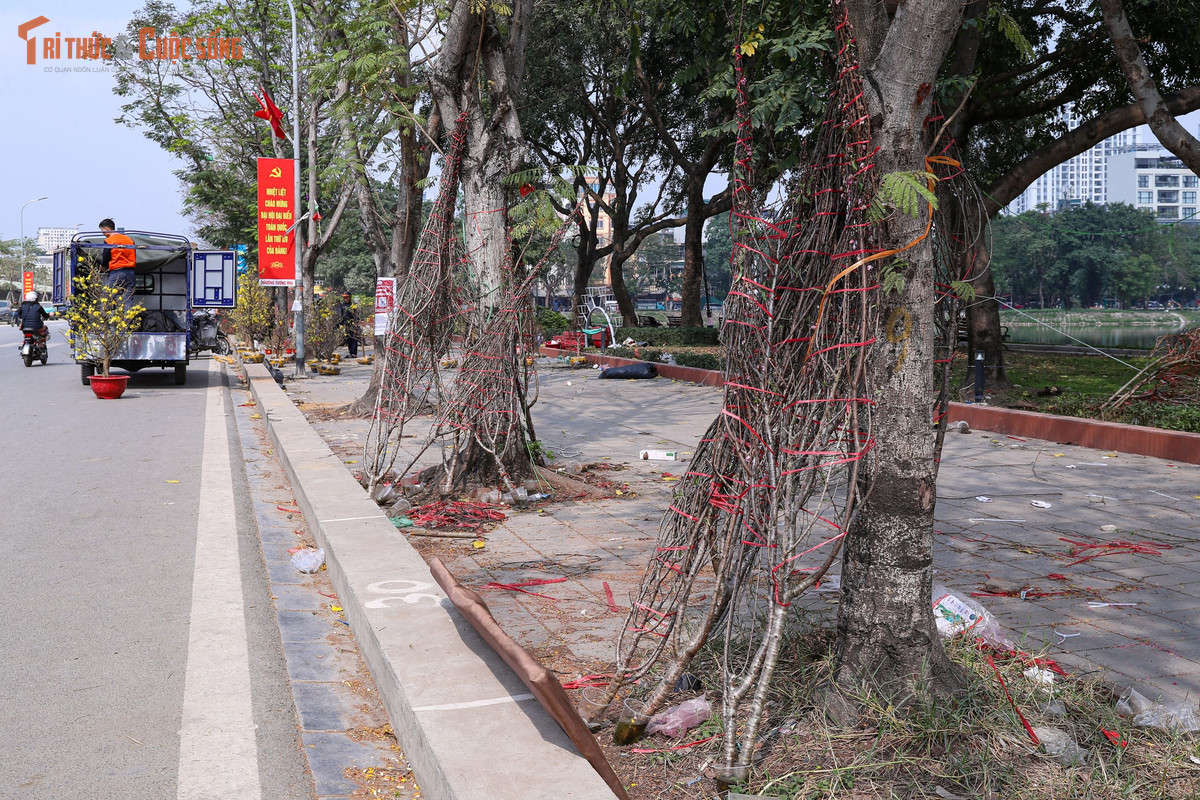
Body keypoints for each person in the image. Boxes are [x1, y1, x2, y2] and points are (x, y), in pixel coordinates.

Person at [98, 218, 136, 306]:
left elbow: (106, 255)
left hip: (117, 271)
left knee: (106, 295)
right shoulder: (129, 239)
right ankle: (128, 319)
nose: (103, 234)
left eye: (102, 231)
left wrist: (103, 266)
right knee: (128, 298)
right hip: (130, 272)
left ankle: (105, 318)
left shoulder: (109, 241)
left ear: (107, 229)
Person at [335, 292, 359, 357]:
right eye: (344, 297)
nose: (345, 298)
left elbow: (356, 315)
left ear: (350, 297)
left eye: (347, 297)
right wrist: (340, 324)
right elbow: (341, 315)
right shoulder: (342, 306)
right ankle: (350, 353)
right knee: (348, 338)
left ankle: (354, 353)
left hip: (353, 324)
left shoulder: (353, 305)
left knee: (353, 338)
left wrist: (356, 323)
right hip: (346, 324)